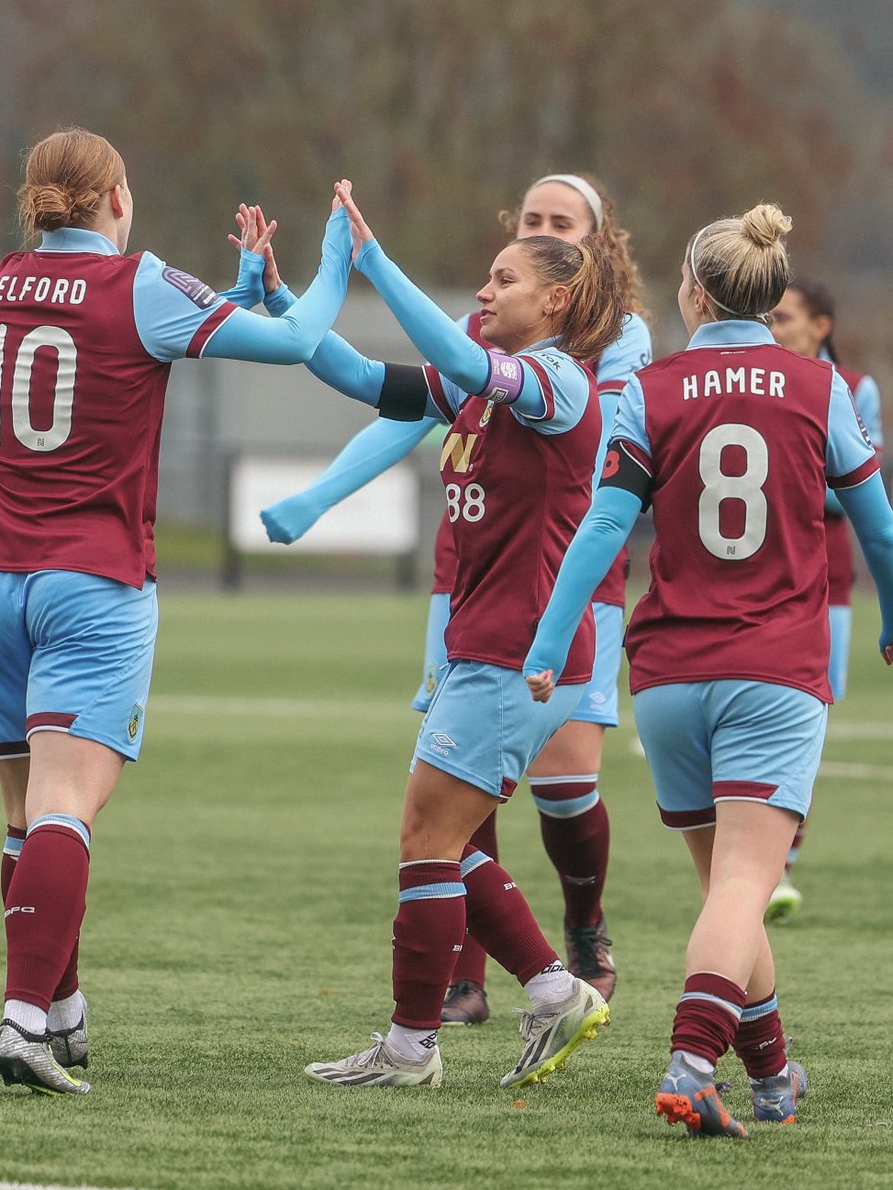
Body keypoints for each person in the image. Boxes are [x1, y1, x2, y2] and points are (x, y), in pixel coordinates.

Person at [0, 127, 354, 1096]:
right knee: (67, 806)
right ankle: (20, 1023)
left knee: (25, 815)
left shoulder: (7, 279)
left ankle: (60, 1006)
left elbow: (183, 330)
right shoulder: (139, 282)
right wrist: (337, 253)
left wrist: (244, 292)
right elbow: (300, 346)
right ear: (118, 198)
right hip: (92, 579)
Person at [523, 204, 893, 1136]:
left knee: (726, 889)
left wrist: (546, 642)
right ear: (771, 296)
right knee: (743, 888)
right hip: (774, 670)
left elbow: (603, 527)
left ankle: (772, 1076)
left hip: (670, 677)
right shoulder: (821, 388)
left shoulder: (650, 390)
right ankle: (691, 1064)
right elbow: (878, 524)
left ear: (693, 292)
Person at [261, 174, 652, 1018]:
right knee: (443, 839)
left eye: (504, 279)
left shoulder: (557, 382)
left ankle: (416, 1040)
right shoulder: (485, 383)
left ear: (556, 301)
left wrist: (373, 259)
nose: (483, 288)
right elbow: (366, 378)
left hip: (520, 651)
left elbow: (462, 357)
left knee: (428, 838)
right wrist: (282, 298)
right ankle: (554, 990)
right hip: (484, 643)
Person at [766, 276, 884, 921]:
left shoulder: (854, 388)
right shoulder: (755, 381)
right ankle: (760, 862)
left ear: (822, 326)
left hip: (826, 586)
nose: (775, 327)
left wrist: (781, 487)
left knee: (807, 718)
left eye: (786, 317)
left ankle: (779, 864)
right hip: (753, 579)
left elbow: (853, 492)